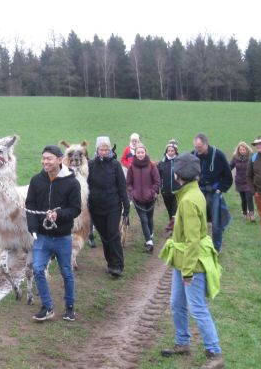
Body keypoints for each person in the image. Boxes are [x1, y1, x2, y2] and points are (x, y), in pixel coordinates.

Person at [159, 154, 224, 369]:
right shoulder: (191, 193)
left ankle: (214, 353)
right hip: (183, 259)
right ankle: (182, 343)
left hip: (191, 263)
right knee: (176, 303)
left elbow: (193, 240)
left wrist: (188, 272)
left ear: (177, 175)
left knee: (197, 308)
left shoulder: (188, 199)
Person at [25, 145, 82, 322]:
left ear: (59, 160)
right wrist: (33, 228)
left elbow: (76, 209)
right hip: (42, 237)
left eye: (49, 158)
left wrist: (59, 215)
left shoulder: (72, 183)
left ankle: (70, 307)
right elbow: (30, 206)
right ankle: (47, 306)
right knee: (38, 269)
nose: (45, 162)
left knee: (66, 271)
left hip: (63, 237)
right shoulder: (36, 181)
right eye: (43, 158)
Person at [87, 136, 130, 277]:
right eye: (101, 149)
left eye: (106, 149)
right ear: (97, 149)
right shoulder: (90, 165)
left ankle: (118, 265)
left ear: (110, 149)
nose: (104, 152)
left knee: (113, 234)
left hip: (113, 206)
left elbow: (122, 187)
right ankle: (110, 264)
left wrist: (126, 205)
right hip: (96, 207)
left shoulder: (115, 165)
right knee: (104, 237)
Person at [192, 133, 233, 252]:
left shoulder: (218, 155)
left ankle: (216, 249)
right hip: (199, 192)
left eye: (199, 147)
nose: (197, 150)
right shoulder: (193, 155)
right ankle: (199, 247)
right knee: (197, 222)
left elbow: (228, 177)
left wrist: (220, 189)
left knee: (216, 224)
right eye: (195, 147)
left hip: (214, 192)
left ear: (206, 144)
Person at [126, 143, 161, 253]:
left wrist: (153, 191)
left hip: (150, 198)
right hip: (137, 199)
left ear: (145, 152)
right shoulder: (131, 167)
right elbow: (128, 183)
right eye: (138, 153)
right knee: (144, 220)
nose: (140, 154)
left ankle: (150, 235)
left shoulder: (152, 165)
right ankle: (149, 242)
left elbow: (157, 181)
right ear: (135, 154)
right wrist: (132, 192)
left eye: (142, 152)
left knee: (150, 219)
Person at [158, 139, 180, 234]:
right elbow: (158, 177)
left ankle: (173, 230)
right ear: (166, 151)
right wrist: (160, 187)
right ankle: (173, 227)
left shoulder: (179, 161)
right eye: (169, 150)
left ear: (175, 151)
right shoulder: (161, 163)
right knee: (170, 211)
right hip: (165, 192)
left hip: (177, 191)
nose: (170, 152)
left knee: (175, 212)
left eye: (172, 150)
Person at [230, 141, 256, 222]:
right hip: (239, 181)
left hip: (248, 181)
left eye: (243, 149)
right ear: (238, 150)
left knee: (249, 197)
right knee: (243, 199)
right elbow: (229, 167)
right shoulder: (235, 158)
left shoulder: (251, 158)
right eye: (240, 149)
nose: (242, 151)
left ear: (247, 149)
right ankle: (244, 213)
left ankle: (251, 215)